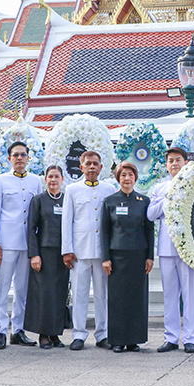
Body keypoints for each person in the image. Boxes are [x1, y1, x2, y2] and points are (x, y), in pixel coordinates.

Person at [148, 147, 194, 354]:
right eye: (170, 161)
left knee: (190, 295)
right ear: (167, 164)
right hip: (167, 249)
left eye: (178, 160)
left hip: (190, 249)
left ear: (185, 163)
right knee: (170, 296)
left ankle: (190, 338)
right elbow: (151, 214)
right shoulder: (160, 188)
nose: (174, 164)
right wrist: (168, 197)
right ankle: (170, 337)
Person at [0, 142, 42, 349]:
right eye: (15, 155)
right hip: (6, 242)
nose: (20, 158)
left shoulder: (35, 181)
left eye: (23, 154)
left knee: (22, 288)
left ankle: (18, 329)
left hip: (27, 242)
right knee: (3, 288)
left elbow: (36, 214)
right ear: (9, 158)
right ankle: (1, 330)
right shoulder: (0, 181)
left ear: (28, 158)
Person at [101, 162, 154, 353]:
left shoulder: (144, 201)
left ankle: (134, 339)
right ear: (118, 178)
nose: (127, 178)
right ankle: (118, 339)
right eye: (123, 175)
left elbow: (149, 230)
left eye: (130, 175)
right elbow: (105, 231)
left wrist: (150, 256)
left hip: (139, 255)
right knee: (118, 298)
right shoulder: (110, 201)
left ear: (135, 178)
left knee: (136, 298)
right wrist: (105, 258)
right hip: (116, 256)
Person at [62, 150, 111, 350]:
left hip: (101, 252)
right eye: (88, 163)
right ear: (81, 167)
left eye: (95, 163)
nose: (92, 167)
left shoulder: (109, 189)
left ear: (101, 167)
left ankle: (103, 334)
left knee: (102, 295)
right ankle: (79, 334)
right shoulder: (72, 190)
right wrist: (67, 250)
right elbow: (67, 221)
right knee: (79, 294)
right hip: (79, 252)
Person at [25, 165, 70, 349]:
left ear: (62, 179)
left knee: (59, 294)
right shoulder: (39, 200)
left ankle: (55, 334)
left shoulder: (67, 199)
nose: (53, 180)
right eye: (50, 176)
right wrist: (34, 254)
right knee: (44, 294)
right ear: (45, 179)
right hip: (44, 253)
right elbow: (31, 229)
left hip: (63, 253)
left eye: (56, 176)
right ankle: (43, 334)